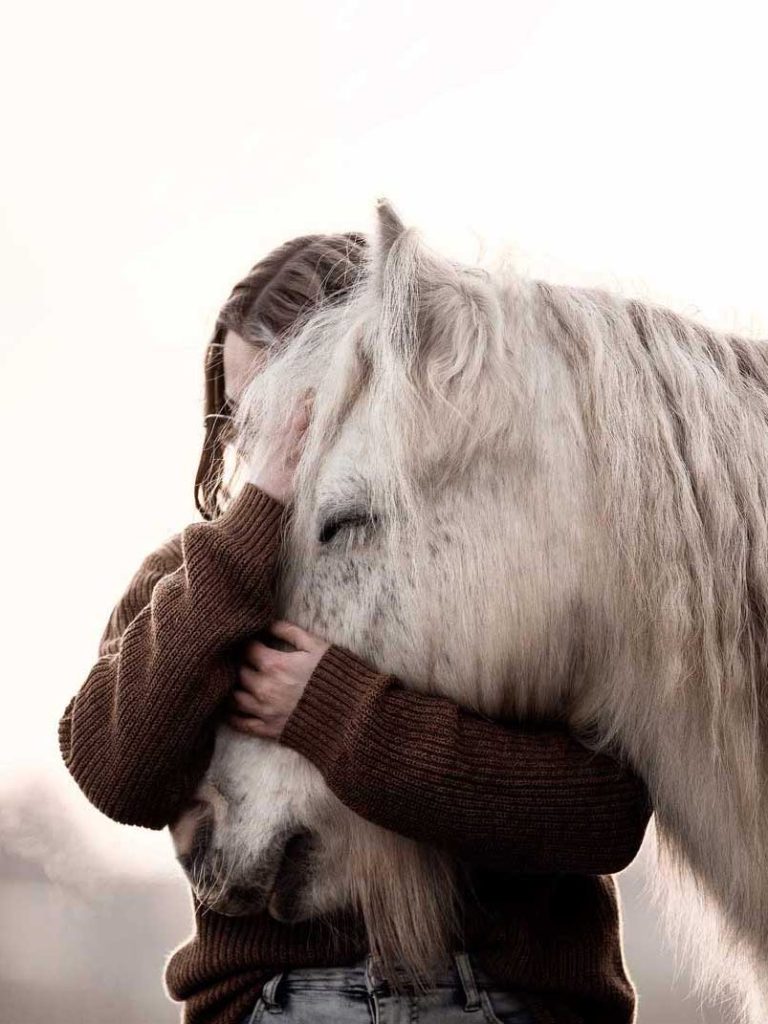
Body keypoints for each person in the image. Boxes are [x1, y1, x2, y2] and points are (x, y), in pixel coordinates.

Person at [58, 234, 653, 1024]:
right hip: (277, 1006)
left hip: (510, 1003)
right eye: (239, 420)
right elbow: (116, 770)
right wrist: (256, 517)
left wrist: (333, 713)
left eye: (283, 412)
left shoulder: (504, 571)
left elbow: (601, 817)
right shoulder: (193, 579)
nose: (254, 445)